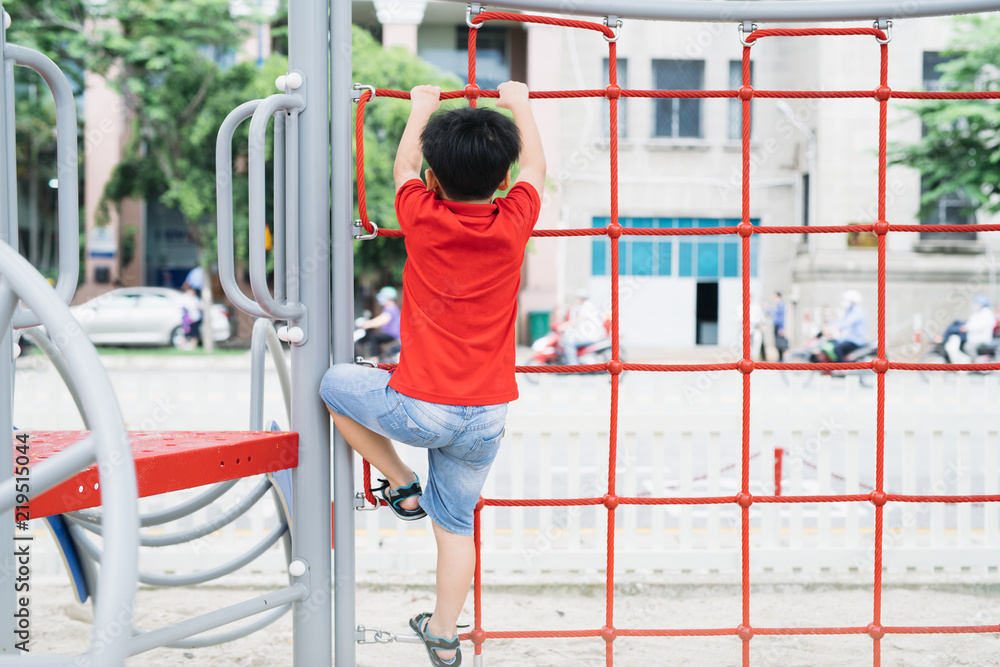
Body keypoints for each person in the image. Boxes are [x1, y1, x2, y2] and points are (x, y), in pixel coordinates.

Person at [320, 81, 544, 667]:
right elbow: (538, 168)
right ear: (503, 181)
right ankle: (444, 636)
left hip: (418, 410)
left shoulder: (420, 214)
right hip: (486, 417)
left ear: (434, 181)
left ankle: (397, 481)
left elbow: (401, 164)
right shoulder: (515, 220)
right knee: (456, 526)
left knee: (333, 385)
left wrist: (421, 104)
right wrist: (519, 102)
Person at [944, 295, 997, 363]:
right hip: (974, 338)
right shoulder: (978, 313)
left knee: (968, 347)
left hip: (981, 339)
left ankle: (976, 363)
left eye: (977, 303)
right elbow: (970, 322)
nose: (975, 305)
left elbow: (978, 325)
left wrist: (967, 328)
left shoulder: (986, 313)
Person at [558, 290, 606, 364]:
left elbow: (578, 320)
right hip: (593, 334)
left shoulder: (587, 305)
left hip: (591, 336)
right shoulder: (590, 305)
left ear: (581, 298)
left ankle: (573, 366)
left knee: (568, 341)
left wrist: (564, 326)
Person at [356, 286, 401, 361]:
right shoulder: (389, 307)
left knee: (373, 337)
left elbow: (383, 319)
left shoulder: (391, 307)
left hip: (391, 334)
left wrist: (368, 324)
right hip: (390, 334)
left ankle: (374, 359)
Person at [822, 289, 866, 362]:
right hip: (847, 339)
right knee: (832, 342)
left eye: (845, 300)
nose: (843, 302)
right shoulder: (850, 310)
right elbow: (841, 320)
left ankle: (841, 369)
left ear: (851, 301)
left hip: (855, 341)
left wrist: (833, 327)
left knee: (837, 348)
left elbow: (846, 323)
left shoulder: (857, 311)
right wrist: (829, 324)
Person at [180, 286, 202, 350]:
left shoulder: (196, 298)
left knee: (195, 334)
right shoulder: (184, 298)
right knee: (186, 334)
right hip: (187, 320)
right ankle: (181, 347)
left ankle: (192, 347)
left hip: (195, 319)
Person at [769, 291, 787, 362]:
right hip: (776, 324)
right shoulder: (777, 304)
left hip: (778, 325)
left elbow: (781, 317)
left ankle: (781, 358)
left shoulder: (780, 304)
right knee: (777, 342)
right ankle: (780, 358)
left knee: (780, 342)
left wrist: (781, 328)